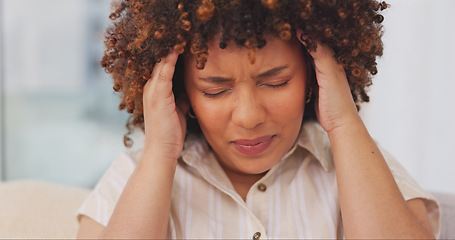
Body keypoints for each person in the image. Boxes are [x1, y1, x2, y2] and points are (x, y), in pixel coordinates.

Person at [77, 0, 440, 239]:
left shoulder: (362, 165)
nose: (249, 117)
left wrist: (344, 122)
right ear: (179, 92)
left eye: (276, 82)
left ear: (315, 77)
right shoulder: (134, 176)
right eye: (215, 90)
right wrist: (159, 151)